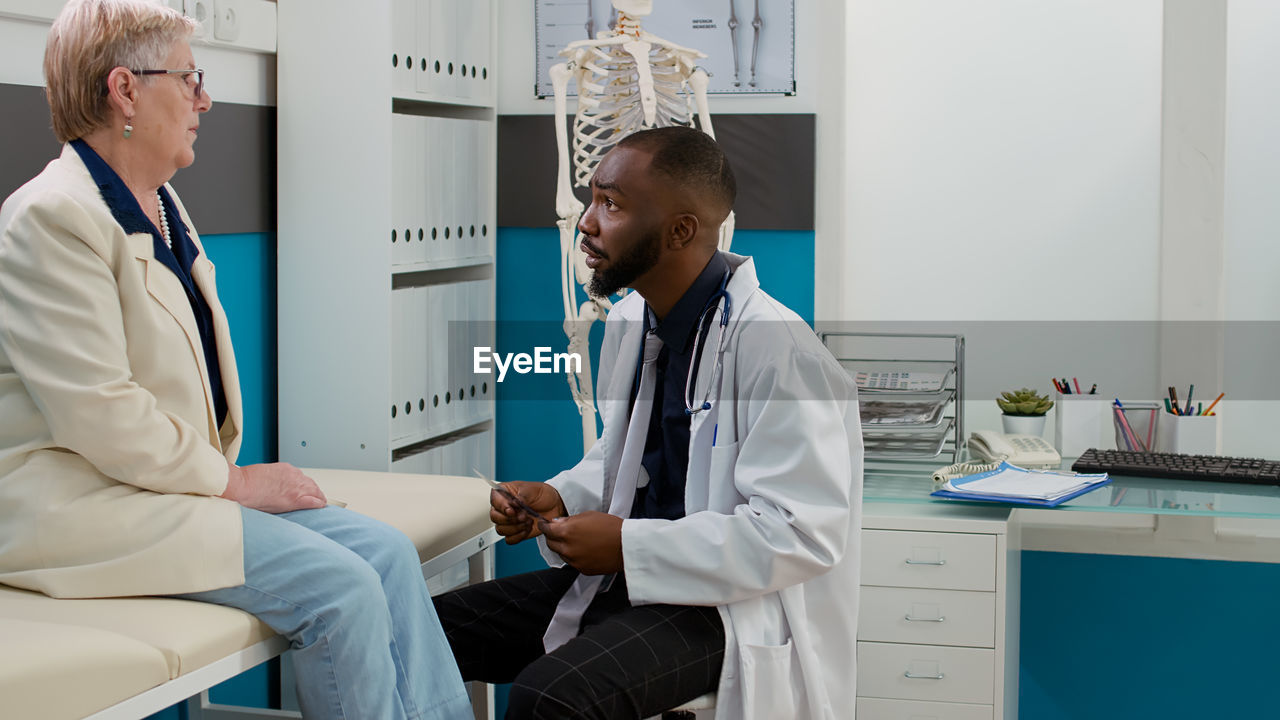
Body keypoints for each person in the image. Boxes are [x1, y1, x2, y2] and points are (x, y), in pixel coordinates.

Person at [0, 2, 471, 718]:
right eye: (189, 79)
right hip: (78, 509)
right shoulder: (51, 217)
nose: (205, 99)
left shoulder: (158, 203)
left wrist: (228, 485)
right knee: (340, 589)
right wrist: (237, 482)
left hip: (156, 494)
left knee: (387, 555)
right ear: (124, 90)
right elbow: (101, 412)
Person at [434, 126, 863, 719]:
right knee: (418, 629)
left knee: (551, 696)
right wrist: (560, 495)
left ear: (680, 229)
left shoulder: (780, 354)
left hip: (726, 606)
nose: (586, 222)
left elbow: (798, 535)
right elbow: (627, 453)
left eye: (610, 204)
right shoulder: (636, 319)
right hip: (637, 579)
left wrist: (627, 545)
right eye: (591, 199)